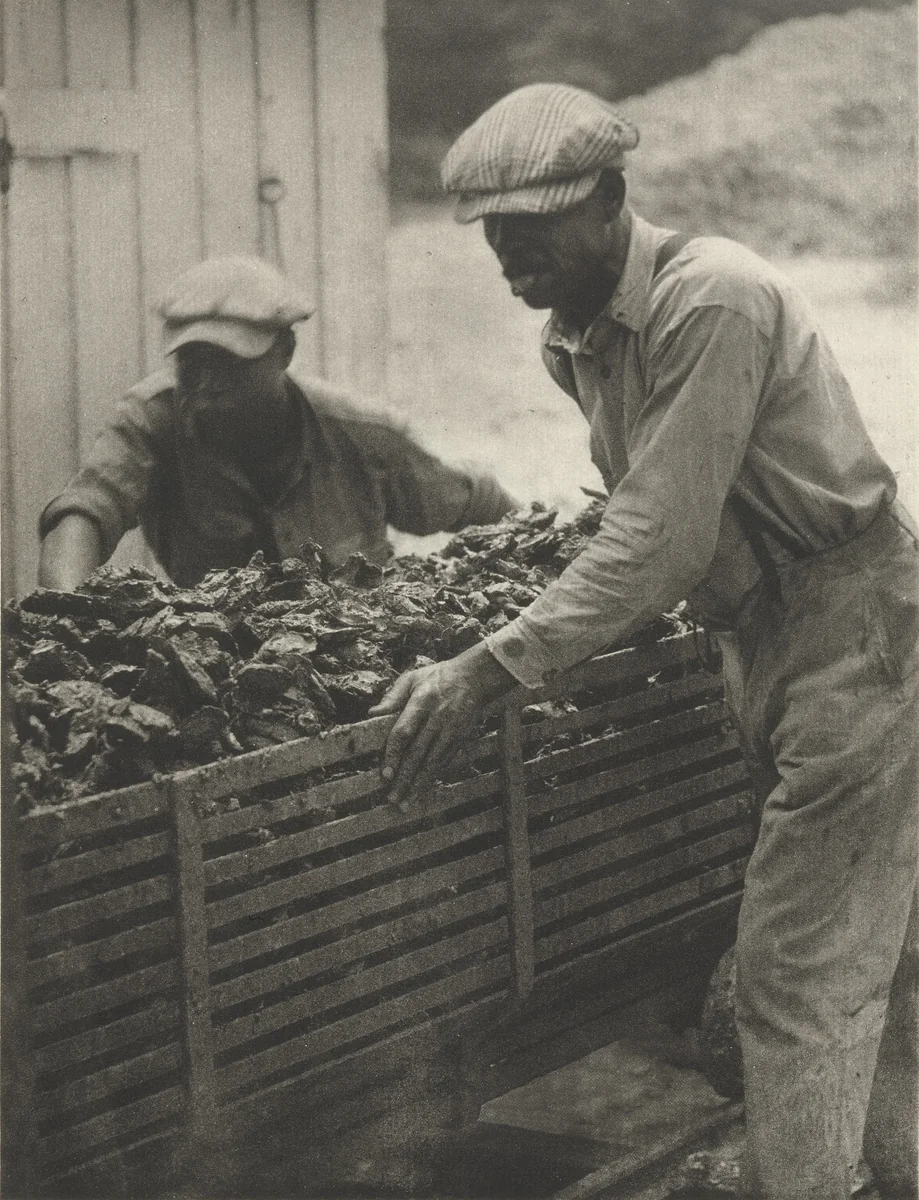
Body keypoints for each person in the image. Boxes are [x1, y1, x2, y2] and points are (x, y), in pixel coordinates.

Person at [371, 84, 918, 1198]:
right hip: (761, 636)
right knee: (872, 955)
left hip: (849, 627)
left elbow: (661, 536)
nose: (509, 257)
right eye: (494, 236)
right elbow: (659, 515)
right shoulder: (574, 342)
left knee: (792, 972)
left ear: (611, 199)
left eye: (533, 229)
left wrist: (490, 667)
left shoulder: (709, 297)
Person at [38, 256, 516, 590]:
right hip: (223, 677)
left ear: (284, 352)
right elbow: (89, 508)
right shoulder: (153, 422)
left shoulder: (361, 433)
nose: (205, 383)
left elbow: (482, 504)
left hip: (361, 662)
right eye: (191, 361)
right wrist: (66, 614)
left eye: (227, 361)